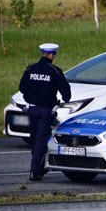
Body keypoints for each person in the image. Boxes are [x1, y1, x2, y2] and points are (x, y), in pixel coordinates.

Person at [19, 43, 71, 181]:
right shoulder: (55, 71)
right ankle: (35, 171)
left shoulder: (31, 69)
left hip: (31, 109)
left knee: (35, 139)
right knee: (41, 141)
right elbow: (66, 94)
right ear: (52, 55)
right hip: (46, 111)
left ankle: (39, 168)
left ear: (42, 53)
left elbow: (22, 87)